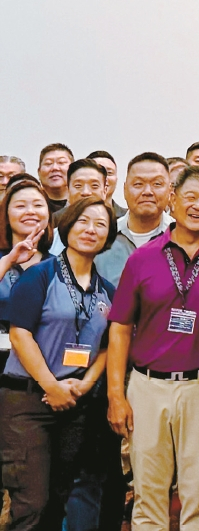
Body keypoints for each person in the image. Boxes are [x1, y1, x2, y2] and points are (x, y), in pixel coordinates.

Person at [103, 166, 199, 531]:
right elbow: (119, 329)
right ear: (172, 201)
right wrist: (116, 394)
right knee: (147, 495)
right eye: (190, 197)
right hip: (147, 387)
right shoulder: (143, 258)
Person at [0, 197, 117, 531]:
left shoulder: (106, 291)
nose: (90, 230)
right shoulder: (39, 276)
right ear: (66, 226)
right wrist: (51, 386)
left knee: (58, 498)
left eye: (100, 224)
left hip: (74, 402)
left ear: (108, 236)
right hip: (27, 400)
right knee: (30, 503)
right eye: (83, 221)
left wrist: (86, 383)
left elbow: (109, 346)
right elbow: (21, 336)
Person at [93, 153, 174, 286]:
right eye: (138, 184)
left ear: (170, 191)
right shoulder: (103, 236)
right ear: (125, 190)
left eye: (157, 184)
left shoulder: (182, 238)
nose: (147, 191)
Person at [0, 178, 52, 376]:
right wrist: (8, 261)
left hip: (41, 367)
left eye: (38, 205)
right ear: (6, 215)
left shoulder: (58, 265)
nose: (30, 211)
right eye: (20, 206)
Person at [85, 151, 126, 218]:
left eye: (109, 173)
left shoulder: (128, 217)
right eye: (98, 172)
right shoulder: (67, 216)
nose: (104, 178)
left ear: (116, 179)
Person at [37, 143, 74, 214]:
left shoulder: (83, 205)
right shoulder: (33, 207)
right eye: (48, 163)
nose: (55, 168)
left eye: (61, 162)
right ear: (39, 172)